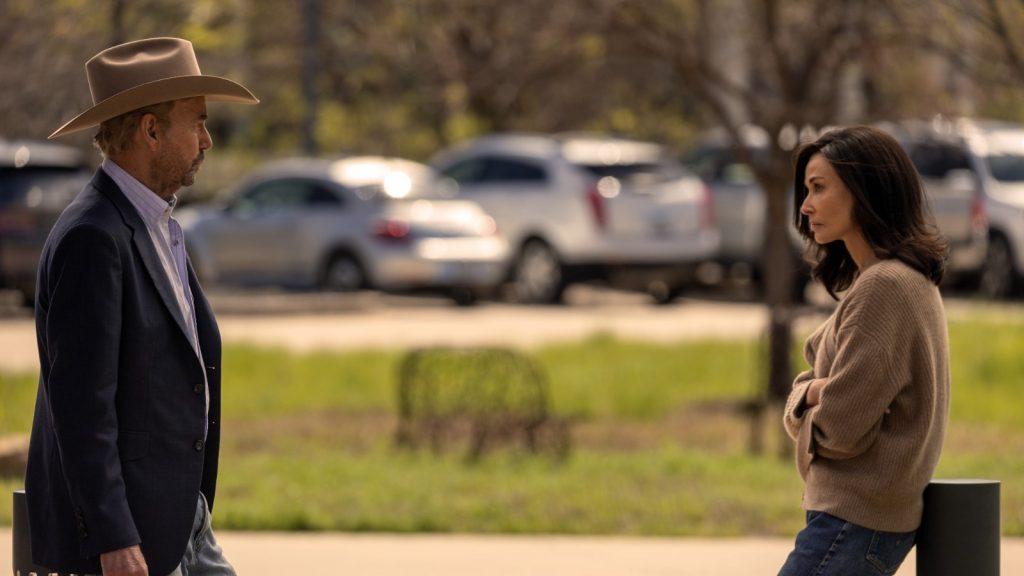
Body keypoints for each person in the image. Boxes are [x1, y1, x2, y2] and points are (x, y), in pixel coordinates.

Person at [26, 37, 257, 576]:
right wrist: (113, 537)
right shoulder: (94, 236)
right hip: (130, 537)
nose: (207, 141)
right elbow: (82, 408)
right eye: (197, 123)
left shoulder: (156, 225)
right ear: (151, 131)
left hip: (178, 519)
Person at [778, 126, 950, 576]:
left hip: (853, 521)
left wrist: (809, 395)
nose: (805, 205)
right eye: (805, 189)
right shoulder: (893, 279)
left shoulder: (885, 287)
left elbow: (840, 429)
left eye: (819, 188)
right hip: (857, 520)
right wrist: (818, 389)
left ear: (864, 189)